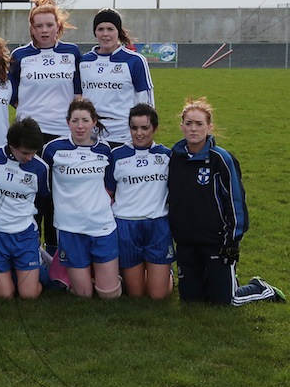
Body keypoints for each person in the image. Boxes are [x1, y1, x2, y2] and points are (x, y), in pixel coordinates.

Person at [168, 98, 284, 305]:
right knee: (191, 299)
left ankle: (260, 288)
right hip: (186, 242)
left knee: (225, 301)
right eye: (188, 123)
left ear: (209, 127)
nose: (193, 129)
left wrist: (232, 240)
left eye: (199, 124)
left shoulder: (221, 159)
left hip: (217, 242)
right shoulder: (174, 158)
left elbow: (236, 200)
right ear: (182, 126)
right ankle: (214, 279)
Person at [9, 1, 82, 253]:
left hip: (61, 134)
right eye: (38, 25)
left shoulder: (72, 53)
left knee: (55, 196)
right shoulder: (20, 56)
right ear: (31, 28)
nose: (44, 30)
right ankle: (28, 246)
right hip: (29, 134)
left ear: (58, 27)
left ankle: (52, 249)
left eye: (49, 25)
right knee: (29, 191)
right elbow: (11, 93)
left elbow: (79, 91)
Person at [42, 99, 120, 299]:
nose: (80, 126)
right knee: (84, 295)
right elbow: (45, 186)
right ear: (67, 122)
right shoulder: (53, 149)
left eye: (85, 120)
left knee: (109, 296)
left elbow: (110, 188)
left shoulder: (105, 150)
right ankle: (68, 272)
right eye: (75, 120)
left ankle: (113, 275)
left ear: (94, 121)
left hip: (101, 226)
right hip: (70, 228)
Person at [105, 104, 173, 300]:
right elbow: (108, 192)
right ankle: (148, 271)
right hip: (127, 226)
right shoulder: (117, 156)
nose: (139, 133)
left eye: (145, 128)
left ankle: (166, 274)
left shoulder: (166, 156)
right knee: (136, 294)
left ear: (155, 128)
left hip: (157, 225)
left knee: (157, 295)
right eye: (134, 128)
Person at [0, 118, 50, 299]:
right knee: (5, 295)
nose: (29, 158)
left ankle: (43, 270)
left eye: (33, 153)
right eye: (25, 153)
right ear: (11, 144)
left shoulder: (40, 169)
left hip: (23, 235)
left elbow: (43, 199)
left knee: (29, 295)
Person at [80, 8, 154, 146]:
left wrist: (143, 132)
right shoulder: (83, 61)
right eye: (100, 29)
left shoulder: (135, 61)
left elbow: (145, 102)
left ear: (118, 32)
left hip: (122, 136)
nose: (105, 34)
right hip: (90, 137)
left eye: (110, 29)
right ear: (95, 32)